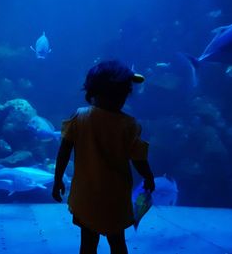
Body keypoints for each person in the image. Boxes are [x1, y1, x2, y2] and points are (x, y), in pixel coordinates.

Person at [52, 60, 155, 254]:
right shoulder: (129, 125)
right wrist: (148, 177)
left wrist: (58, 180)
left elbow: (64, 151)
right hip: (115, 197)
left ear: (92, 92)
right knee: (117, 242)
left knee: (88, 243)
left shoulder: (79, 117)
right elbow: (139, 158)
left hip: (86, 196)